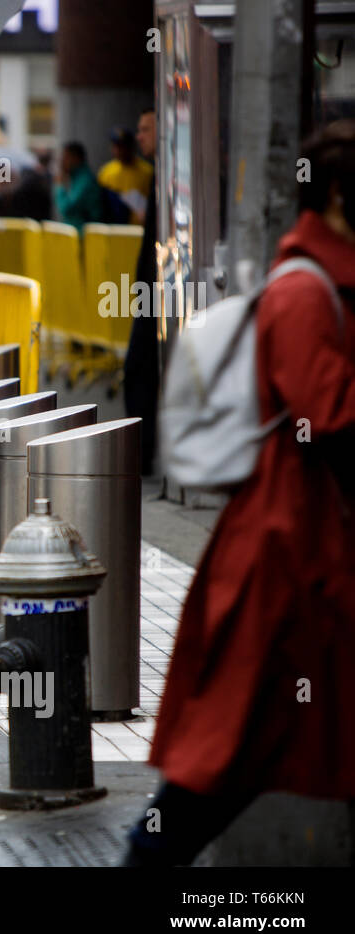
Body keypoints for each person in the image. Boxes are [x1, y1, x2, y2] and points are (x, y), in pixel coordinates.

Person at [124, 120, 355, 866]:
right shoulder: (304, 294)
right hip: (289, 560)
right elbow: (331, 417)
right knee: (226, 755)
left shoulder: (320, 285)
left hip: (308, 553)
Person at [124, 108, 160, 475]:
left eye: (145, 128)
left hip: (160, 291)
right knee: (141, 368)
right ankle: (143, 448)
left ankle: (143, 450)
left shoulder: (166, 173)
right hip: (152, 290)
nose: (140, 136)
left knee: (139, 368)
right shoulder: (156, 175)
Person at [97, 126, 154, 226]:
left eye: (122, 146)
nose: (118, 150)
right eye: (115, 146)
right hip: (114, 230)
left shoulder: (147, 171)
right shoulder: (106, 172)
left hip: (138, 230)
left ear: (131, 147)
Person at [53, 141, 105, 231]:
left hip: (86, 237)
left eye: (66, 157)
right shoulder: (76, 178)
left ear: (76, 158)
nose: (62, 161)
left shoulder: (85, 180)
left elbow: (67, 208)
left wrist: (59, 187)